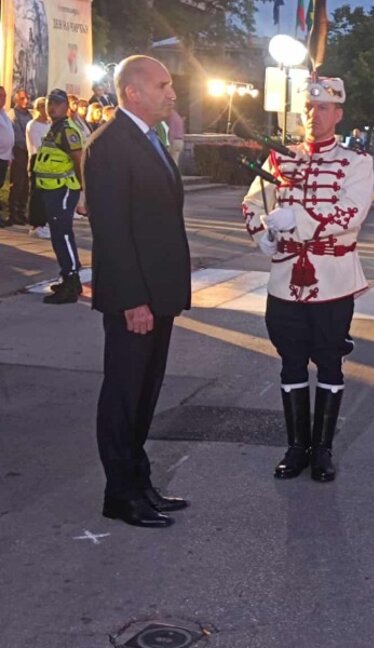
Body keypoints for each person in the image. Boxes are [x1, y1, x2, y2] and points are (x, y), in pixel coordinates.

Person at [241, 76, 374, 483]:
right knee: (291, 362)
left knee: (330, 362)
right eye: (308, 108)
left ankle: (323, 450)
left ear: (338, 113)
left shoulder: (356, 162)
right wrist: (261, 235)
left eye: (322, 108)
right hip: (284, 279)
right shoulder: (280, 159)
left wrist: (296, 220)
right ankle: (296, 446)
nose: (314, 116)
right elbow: (252, 202)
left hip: (332, 281)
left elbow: (351, 212)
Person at [86, 55, 191, 528]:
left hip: (158, 293)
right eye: (163, 85)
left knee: (146, 393)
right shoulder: (110, 144)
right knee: (124, 394)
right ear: (133, 92)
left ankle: (139, 481)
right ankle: (120, 494)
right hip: (137, 299)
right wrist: (133, 300)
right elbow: (111, 231)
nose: (172, 93)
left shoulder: (150, 138)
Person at [30, 89, 84, 303]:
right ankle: (69, 277)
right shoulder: (55, 128)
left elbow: (79, 161)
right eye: (50, 103)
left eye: (57, 103)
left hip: (63, 189)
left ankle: (71, 281)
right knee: (58, 234)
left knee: (62, 234)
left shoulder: (67, 130)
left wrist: (83, 192)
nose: (52, 107)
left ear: (66, 106)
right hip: (52, 190)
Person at [25, 96, 51, 239]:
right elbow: (37, 145)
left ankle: (44, 222)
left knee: (47, 193)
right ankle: (36, 224)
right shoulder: (33, 125)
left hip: (50, 160)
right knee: (37, 193)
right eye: (44, 107)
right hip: (38, 159)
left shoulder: (49, 124)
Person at [9, 89, 33, 228]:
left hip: (28, 153)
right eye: (23, 98)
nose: (26, 101)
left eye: (27, 98)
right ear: (16, 100)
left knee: (26, 185)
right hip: (19, 152)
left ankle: (22, 212)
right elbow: (17, 136)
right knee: (17, 183)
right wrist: (27, 146)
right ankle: (13, 213)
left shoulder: (29, 114)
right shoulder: (14, 114)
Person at [0, 86, 14, 228]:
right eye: (0, 95)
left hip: (4, 156)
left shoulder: (4, 113)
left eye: (4, 95)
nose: (3, 98)